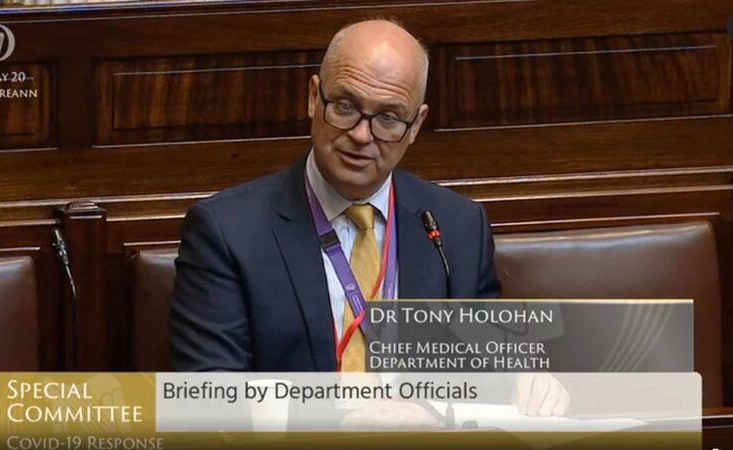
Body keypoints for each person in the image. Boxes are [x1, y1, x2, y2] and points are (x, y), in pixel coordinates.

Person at [171, 19, 567, 418]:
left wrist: (519, 380)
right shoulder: (227, 232)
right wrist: (340, 425)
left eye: (389, 118)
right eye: (345, 107)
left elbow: (482, 367)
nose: (362, 135)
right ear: (313, 98)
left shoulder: (457, 227)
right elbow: (210, 399)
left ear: (416, 126)